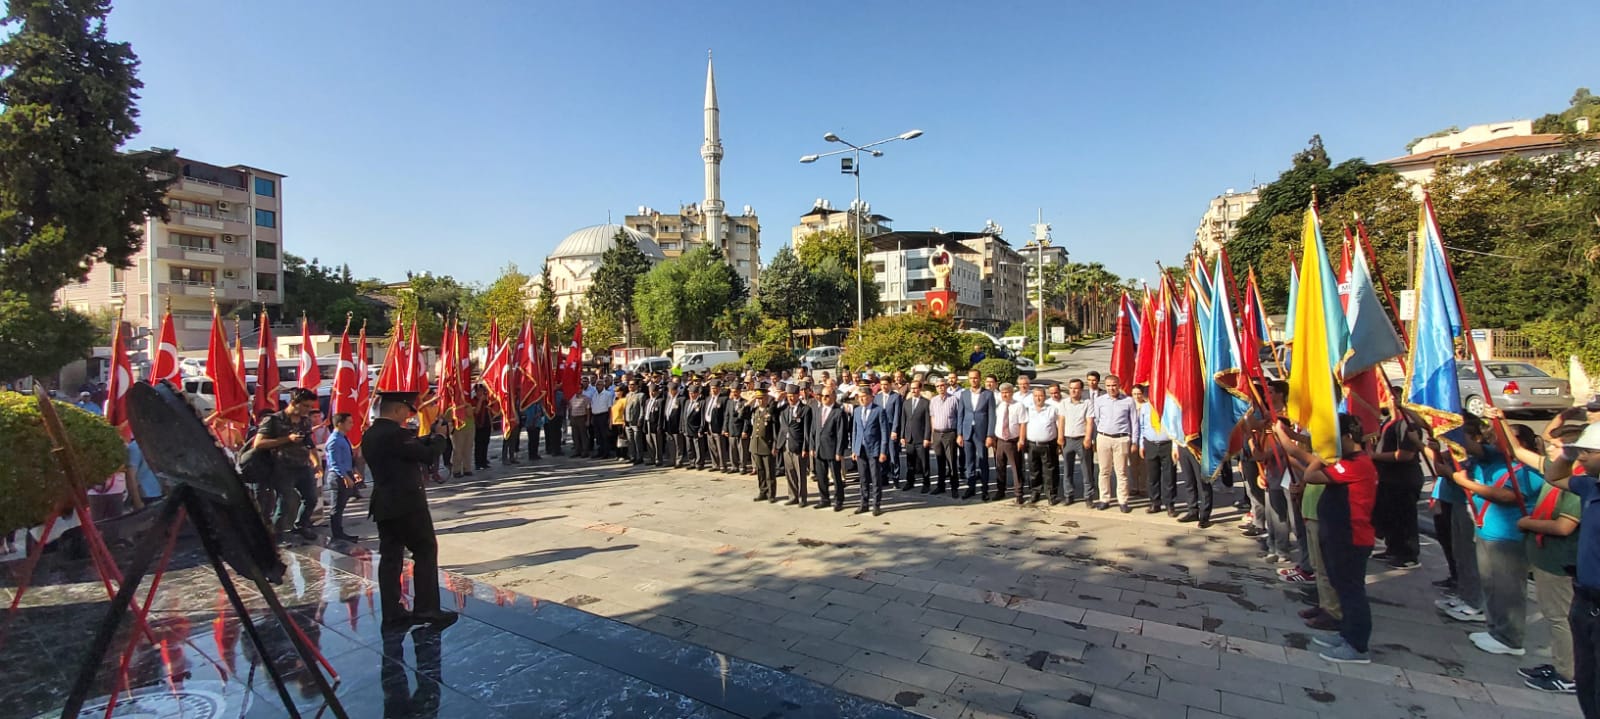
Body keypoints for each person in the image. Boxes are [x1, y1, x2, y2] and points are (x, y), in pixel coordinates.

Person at [1275, 413, 1377, 664]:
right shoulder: (1346, 461)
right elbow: (1306, 461)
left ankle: (1357, 647)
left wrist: (1320, 458)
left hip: (1351, 537)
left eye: (1334, 437)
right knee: (1341, 588)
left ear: (1348, 436)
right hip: (1338, 535)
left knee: (1352, 593)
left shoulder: (1356, 464)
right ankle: (1346, 634)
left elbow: (1310, 475)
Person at [1523, 423, 1600, 712]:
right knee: (1587, 681)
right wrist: (1567, 453)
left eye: (1588, 452)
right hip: (1585, 600)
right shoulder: (1589, 486)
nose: (1582, 457)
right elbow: (1554, 476)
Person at [364, 391, 455, 631]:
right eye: (406, 410)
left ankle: (392, 612)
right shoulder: (395, 434)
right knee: (425, 550)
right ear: (396, 409)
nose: (408, 415)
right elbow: (426, 455)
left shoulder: (372, 433)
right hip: (407, 504)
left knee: (391, 558)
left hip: (385, 504)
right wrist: (439, 437)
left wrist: (428, 436)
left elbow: (409, 449)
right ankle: (427, 608)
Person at [1458, 420, 1543, 658]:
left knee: (1508, 589)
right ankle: (1496, 628)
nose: (1495, 442)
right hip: (1486, 531)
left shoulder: (1531, 470)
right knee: (1492, 585)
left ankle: (1510, 638)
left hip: (1508, 537)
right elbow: (1469, 445)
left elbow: (1506, 496)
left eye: (1501, 438)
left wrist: (1467, 484)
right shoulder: (1497, 459)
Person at [254, 388, 320, 539]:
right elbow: (259, 444)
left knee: (311, 498)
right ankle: (276, 535)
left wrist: (316, 462)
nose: (307, 410)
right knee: (285, 502)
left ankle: (301, 525)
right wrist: (287, 439)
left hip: (303, 466)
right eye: (305, 406)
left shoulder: (305, 421)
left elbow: (309, 444)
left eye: (310, 406)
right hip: (283, 467)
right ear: (294, 403)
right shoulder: (273, 420)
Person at [1371, 392, 1425, 569]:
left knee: (1405, 518)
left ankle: (1408, 555)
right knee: (1391, 517)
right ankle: (1393, 549)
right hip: (1388, 478)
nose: (1387, 400)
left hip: (1404, 478)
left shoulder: (1407, 424)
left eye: (1391, 397)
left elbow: (1405, 455)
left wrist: (1374, 456)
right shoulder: (1388, 421)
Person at [1085, 374, 1138, 512]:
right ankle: (1105, 499)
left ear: (1119, 386)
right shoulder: (1099, 401)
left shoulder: (1128, 401)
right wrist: (1096, 438)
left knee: (1121, 472)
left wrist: (1134, 441)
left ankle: (1123, 501)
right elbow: (1096, 420)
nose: (1111, 388)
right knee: (1104, 471)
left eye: (1114, 385)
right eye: (1108, 386)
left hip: (1121, 439)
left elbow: (1134, 422)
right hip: (1104, 438)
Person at [1132, 384, 1177, 516]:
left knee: (1169, 476)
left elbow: (1175, 426)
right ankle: (1154, 503)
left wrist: (1175, 446)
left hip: (1167, 444)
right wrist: (1141, 445)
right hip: (1150, 444)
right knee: (1152, 476)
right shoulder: (1145, 407)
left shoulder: (1169, 406)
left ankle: (1170, 505)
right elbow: (1142, 426)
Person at [955, 370, 995, 501]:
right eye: (971, 378)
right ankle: (970, 487)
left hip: (981, 433)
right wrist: (959, 434)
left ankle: (984, 489)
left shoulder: (988, 394)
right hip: (967, 432)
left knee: (983, 461)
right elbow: (960, 415)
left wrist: (990, 435)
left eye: (976, 378)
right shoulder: (964, 394)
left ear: (980, 378)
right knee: (969, 462)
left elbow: (992, 416)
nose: (973, 380)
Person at [852, 383, 891, 516]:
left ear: (871, 397)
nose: (861, 399)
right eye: (859, 397)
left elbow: (884, 432)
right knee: (863, 478)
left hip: (874, 449)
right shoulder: (857, 411)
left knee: (875, 478)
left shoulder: (879, 411)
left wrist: (883, 451)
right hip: (861, 449)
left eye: (864, 396)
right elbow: (855, 431)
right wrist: (854, 449)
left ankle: (876, 505)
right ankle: (864, 503)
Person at [810, 382, 850, 511]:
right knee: (821, 476)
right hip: (819, 448)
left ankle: (839, 500)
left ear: (833, 396)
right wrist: (812, 447)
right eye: (822, 396)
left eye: (827, 396)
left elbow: (841, 434)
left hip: (832, 449)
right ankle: (824, 499)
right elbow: (813, 430)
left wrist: (839, 451)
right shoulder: (818, 410)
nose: (824, 398)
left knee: (836, 477)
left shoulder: (839, 412)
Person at [1023, 386, 1064, 505]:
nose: (1038, 398)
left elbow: (1059, 426)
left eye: (1040, 396)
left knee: (1050, 471)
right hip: (1032, 445)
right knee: (1034, 470)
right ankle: (1035, 493)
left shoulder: (1052, 409)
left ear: (1045, 397)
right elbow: (1023, 426)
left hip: (1048, 445)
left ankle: (1051, 495)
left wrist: (1059, 442)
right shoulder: (1028, 410)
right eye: (1035, 396)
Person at [324, 412, 361, 542]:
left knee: (341, 505)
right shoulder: (334, 440)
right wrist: (345, 476)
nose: (352, 425)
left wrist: (354, 470)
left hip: (346, 472)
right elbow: (335, 463)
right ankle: (337, 534)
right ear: (340, 424)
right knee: (337, 507)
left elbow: (347, 457)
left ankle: (340, 532)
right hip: (338, 476)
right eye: (349, 422)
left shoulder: (344, 438)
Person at [1057, 379, 1095, 505]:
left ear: (1081, 390)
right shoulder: (1064, 403)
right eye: (1071, 388)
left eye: (1076, 388)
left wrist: (1088, 438)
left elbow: (1089, 421)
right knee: (1067, 469)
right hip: (1067, 440)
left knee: (1086, 470)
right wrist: (1060, 437)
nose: (1073, 391)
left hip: (1082, 440)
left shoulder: (1087, 403)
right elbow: (1061, 420)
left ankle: (1088, 496)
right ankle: (1068, 495)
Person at [777, 383, 812, 505]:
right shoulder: (784, 410)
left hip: (798, 446)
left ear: (798, 395)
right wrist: (778, 445)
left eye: (792, 395)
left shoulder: (805, 409)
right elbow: (782, 429)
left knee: (800, 473)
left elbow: (807, 431)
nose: (790, 398)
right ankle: (793, 496)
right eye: (788, 396)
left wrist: (805, 448)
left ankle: (803, 498)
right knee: (790, 473)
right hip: (786, 445)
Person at [990, 382, 1025, 502]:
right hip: (1000, 441)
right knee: (1000, 467)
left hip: (1013, 441)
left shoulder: (1019, 406)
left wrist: (1021, 439)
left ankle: (1019, 493)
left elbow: (1023, 423)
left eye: (1007, 392)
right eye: (1003, 393)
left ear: (1012, 393)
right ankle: (1000, 491)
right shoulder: (999, 406)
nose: (1005, 395)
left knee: (1016, 468)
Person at [900, 377, 933, 493]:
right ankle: (910, 481)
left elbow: (928, 422)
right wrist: (902, 436)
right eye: (912, 389)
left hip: (921, 437)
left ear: (920, 389)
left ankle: (926, 483)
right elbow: (903, 420)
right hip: (909, 437)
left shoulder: (926, 403)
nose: (913, 390)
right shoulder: (906, 403)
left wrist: (927, 437)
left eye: (915, 388)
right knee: (910, 462)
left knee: (924, 462)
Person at [929, 377, 960, 495]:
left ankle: (954, 487)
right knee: (939, 461)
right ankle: (940, 486)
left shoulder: (954, 399)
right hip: (937, 433)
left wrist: (958, 434)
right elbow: (932, 417)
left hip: (950, 433)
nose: (940, 388)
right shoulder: (933, 400)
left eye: (942, 385)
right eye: (938, 386)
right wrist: (932, 434)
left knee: (951, 461)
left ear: (946, 386)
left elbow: (959, 417)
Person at [748, 390, 779, 502]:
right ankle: (763, 491)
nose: (760, 401)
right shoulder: (755, 410)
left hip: (767, 445)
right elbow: (741, 414)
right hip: (755, 445)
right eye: (758, 398)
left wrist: (775, 445)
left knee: (769, 472)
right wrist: (749, 402)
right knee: (760, 471)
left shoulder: (770, 411)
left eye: (762, 398)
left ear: (766, 399)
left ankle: (771, 494)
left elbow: (775, 430)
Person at [878, 379, 905, 489]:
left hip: (891, 428)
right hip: (881, 430)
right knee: (882, 453)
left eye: (886, 384)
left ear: (890, 385)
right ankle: (883, 476)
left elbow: (897, 415)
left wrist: (894, 430)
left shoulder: (896, 397)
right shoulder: (877, 397)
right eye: (882, 384)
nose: (884, 387)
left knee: (893, 454)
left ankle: (895, 478)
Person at [568, 382, 593, 458]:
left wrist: (588, 420)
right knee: (575, 435)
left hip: (582, 418)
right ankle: (577, 450)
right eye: (577, 388)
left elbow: (588, 410)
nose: (578, 390)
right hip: (574, 418)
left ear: (582, 389)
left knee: (583, 435)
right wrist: (570, 418)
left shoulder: (586, 398)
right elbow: (570, 408)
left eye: (580, 388)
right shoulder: (572, 397)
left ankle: (585, 451)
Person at [624, 381, 646, 465]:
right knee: (630, 440)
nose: (630, 386)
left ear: (637, 386)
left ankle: (639, 457)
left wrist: (640, 419)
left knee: (637, 440)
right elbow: (625, 408)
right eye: (629, 384)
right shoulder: (627, 395)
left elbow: (642, 409)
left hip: (635, 421)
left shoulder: (641, 395)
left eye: (632, 384)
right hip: (628, 421)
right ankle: (632, 456)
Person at [471, 386, 492, 471]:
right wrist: (480, 400)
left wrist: (491, 424)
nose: (481, 392)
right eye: (479, 391)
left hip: (487, 424)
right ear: (476, 392)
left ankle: (484, 461)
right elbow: (476, 411)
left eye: (482, 391)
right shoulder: (473, 400)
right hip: (478, 425)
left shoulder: (486, 400)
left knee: (485, 443)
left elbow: (489, 411)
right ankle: (478, 463)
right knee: (478, 445)